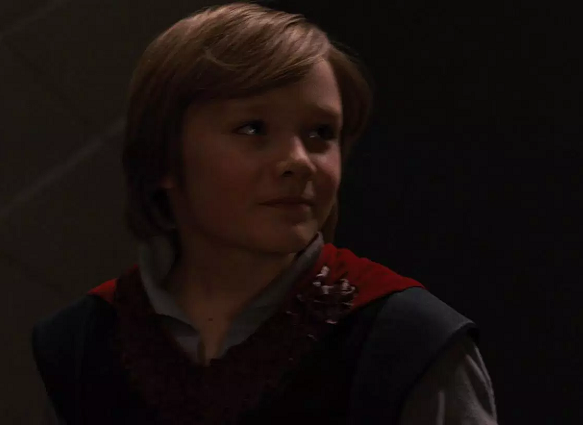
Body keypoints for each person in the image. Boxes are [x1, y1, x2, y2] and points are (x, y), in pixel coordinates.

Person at [30, 3, 498, 424]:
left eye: (321, 133)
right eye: (253, 128)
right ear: (163, 158)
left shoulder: (407, 343)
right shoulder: (83, 344)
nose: (299, 161)